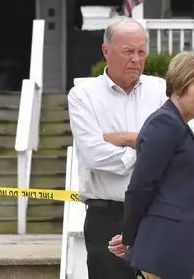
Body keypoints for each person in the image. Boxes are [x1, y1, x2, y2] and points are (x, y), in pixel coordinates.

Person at [67, 16, 168, 279]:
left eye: (141, 52)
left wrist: (122, 138)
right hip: (107, 217)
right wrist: (145, 149)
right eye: (128, 52)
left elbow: (173, 149)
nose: (136, 58)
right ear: (106, 52)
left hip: (156, 213)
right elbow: (94, 156)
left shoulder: (161, 92)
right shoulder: (83, 96)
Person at [110, 51, 194, 279]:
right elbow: (141, 185)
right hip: (167, 244)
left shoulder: (177, 125)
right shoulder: (164, 123)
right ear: (181, 83)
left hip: (180, 242)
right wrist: (130, 236)